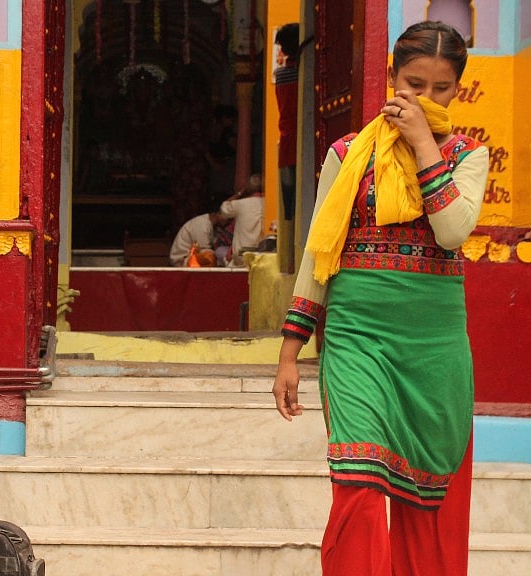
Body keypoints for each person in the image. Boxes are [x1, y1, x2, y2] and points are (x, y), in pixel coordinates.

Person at [272, 21, 488, 576]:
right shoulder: (347, 155)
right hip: (356, 340)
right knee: (358, 489)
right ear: (391, 77)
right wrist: (290, 352)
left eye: (441, 88)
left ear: (457, 90)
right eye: (413, 83)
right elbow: (319, 255)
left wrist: (422, 143)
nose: (424, 98)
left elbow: (452, 232)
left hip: (433, 349)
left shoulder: (469, 157)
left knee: (428, 504)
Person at [274, 23, 300, 221]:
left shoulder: (281, 74)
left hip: (287, 138)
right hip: (302, 139)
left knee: (290, 201)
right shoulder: (305, 73)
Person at [219, 173, 265, 267]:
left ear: (249, 189)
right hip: (263, 255)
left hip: (241, 256)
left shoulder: (240, 204)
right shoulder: (268, 202)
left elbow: (223, 209)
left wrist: (240, 193)